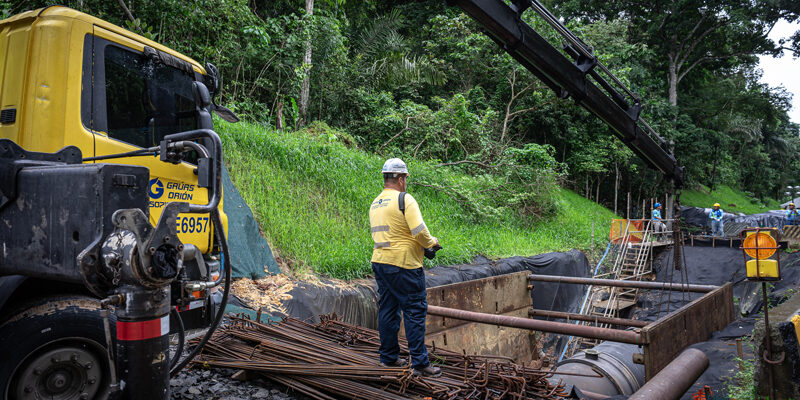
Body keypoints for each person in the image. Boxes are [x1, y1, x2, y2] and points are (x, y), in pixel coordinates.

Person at [369, 158, 441, 378]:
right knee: (415, 310)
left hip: (380, 262)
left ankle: (388, 358)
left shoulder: (376, 202)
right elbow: (419, 231)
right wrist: (432, 244)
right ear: (401, 179)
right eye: (405, 179)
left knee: (389, 309)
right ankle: (420, 363)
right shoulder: (405, 199)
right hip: (404, 265)